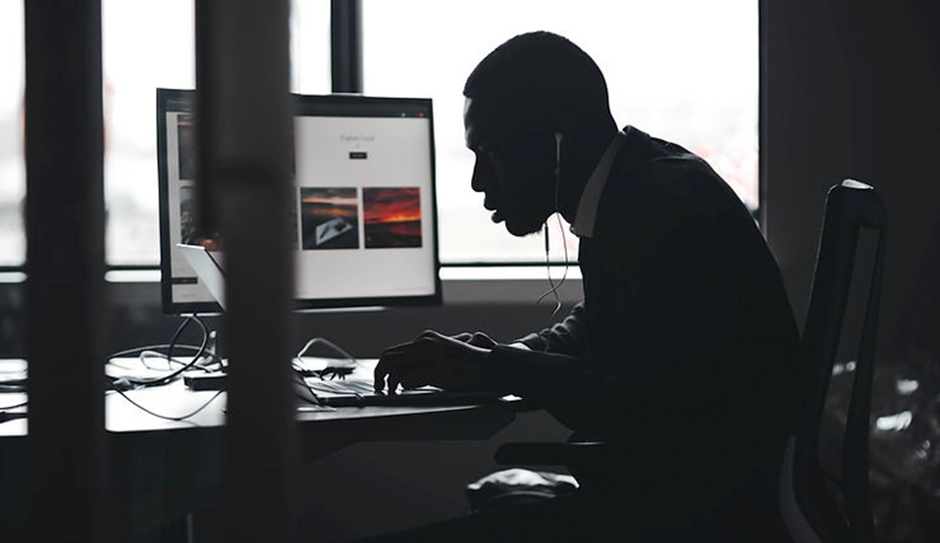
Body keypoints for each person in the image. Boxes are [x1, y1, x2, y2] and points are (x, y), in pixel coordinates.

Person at [373, 31, 801, 541]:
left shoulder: (656, 212)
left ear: (560, 132)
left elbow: (641, 403)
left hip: (691, 517)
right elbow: (604, 325)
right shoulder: (643, 182)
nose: (478, 180)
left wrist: (497, 366)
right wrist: (499, 355)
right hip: (684, 499)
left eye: (490, 149)